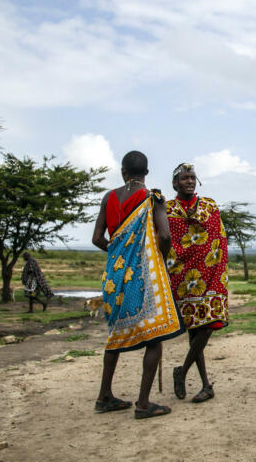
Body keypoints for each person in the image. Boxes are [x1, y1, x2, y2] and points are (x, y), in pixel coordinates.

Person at [91, 151, 184, 419]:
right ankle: (143, 403)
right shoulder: (151, 198)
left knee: (115, 335)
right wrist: (160, 257)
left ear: (123, 172)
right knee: (154, 336)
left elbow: (98, 238)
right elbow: (164, 235)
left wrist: (118, 252)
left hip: (113, 277)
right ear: (146, 172)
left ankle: (104, 396)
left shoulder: (108, 197)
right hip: (143, 274)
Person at [166, 163, 229, 403]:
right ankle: (205, 385)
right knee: (196, 331)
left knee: (207, 325)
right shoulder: (167, 209)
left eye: (192, 177)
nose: (190, 181)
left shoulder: (210, 206)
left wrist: (219, 271)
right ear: (175, 183)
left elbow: (218, 239)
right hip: (183, 277)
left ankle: (182, 371)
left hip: (211, 277)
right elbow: (166, 241)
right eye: (184, 178)